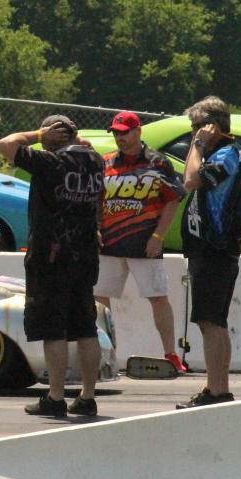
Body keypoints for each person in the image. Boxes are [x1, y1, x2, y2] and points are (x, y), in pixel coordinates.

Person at [0, 115, 105, 417]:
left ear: (50, 138)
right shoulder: (96, 161)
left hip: (52, 257)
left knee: (53, 328)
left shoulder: (50, 163)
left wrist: (36, 133)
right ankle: (87, 396)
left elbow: (5, 145)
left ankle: (56, 397)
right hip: (85, 255)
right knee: (86, 328)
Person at [94, 111, 187, 373]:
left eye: (124, 132)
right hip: (109, 244)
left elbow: (173, 199)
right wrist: (95, 229)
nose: (120, 137)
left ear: (138, 131)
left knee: (158, 297)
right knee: (100, 301)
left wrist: (158, 236)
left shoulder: (158, 163)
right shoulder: (106, 163)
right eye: (116, 133)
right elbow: (96, 200)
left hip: (145, 244)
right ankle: (106, 355)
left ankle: (171, 355)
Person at [176, 96, 241, 409]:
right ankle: (217, 386)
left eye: (197, 127)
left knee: (211, 321)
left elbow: (191, 180)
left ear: (212, 127)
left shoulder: (228, 154)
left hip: (216, 247)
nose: (193, 133)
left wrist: (198, 146)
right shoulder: (221, 152)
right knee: (211, 321)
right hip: (206, 247)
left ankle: (218, 390)